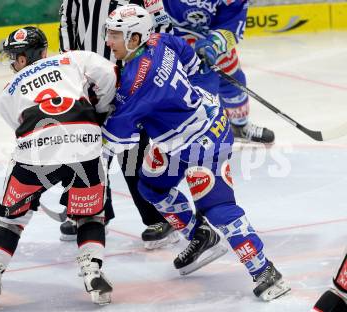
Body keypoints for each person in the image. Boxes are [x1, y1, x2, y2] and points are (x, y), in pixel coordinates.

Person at [103, 4, 290, 299]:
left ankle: (265, 270)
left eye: (114, 35)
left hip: (205, 138)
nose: (108, 42)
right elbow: (188, 58)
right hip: (184, 132)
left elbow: (115, 140)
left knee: (217, 206)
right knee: (151, 186)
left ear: (134, 38)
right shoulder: (158, 40)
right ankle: (201, 236)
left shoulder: (135, 84)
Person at [0, 26, 117, 309]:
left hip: (35, 150)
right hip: (84, 142)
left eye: (14, 57)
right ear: (43, 51)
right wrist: (99, 112)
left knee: (11, 219)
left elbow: (19, 126)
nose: (12, 63)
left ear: (22, 59)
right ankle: (92, 273)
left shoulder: (9, 89)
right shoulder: (72, 58)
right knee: (90, 216)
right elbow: (109, 76)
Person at [58, 0, 179, 249]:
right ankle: (94, 211)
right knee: (88, 150)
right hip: (90, 81)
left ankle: (158, 217)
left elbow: (162, 27)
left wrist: (149, 70)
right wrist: (70, 71)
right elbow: (67, 25)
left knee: (133, 153)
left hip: (132, 79)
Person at [161, 0, 275, 144]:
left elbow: (232, 22)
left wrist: (213, 45)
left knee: (233, 82)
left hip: (214, 42)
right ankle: (190, 136)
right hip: (175, 39)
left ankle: (239, 126)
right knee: (195, 90)